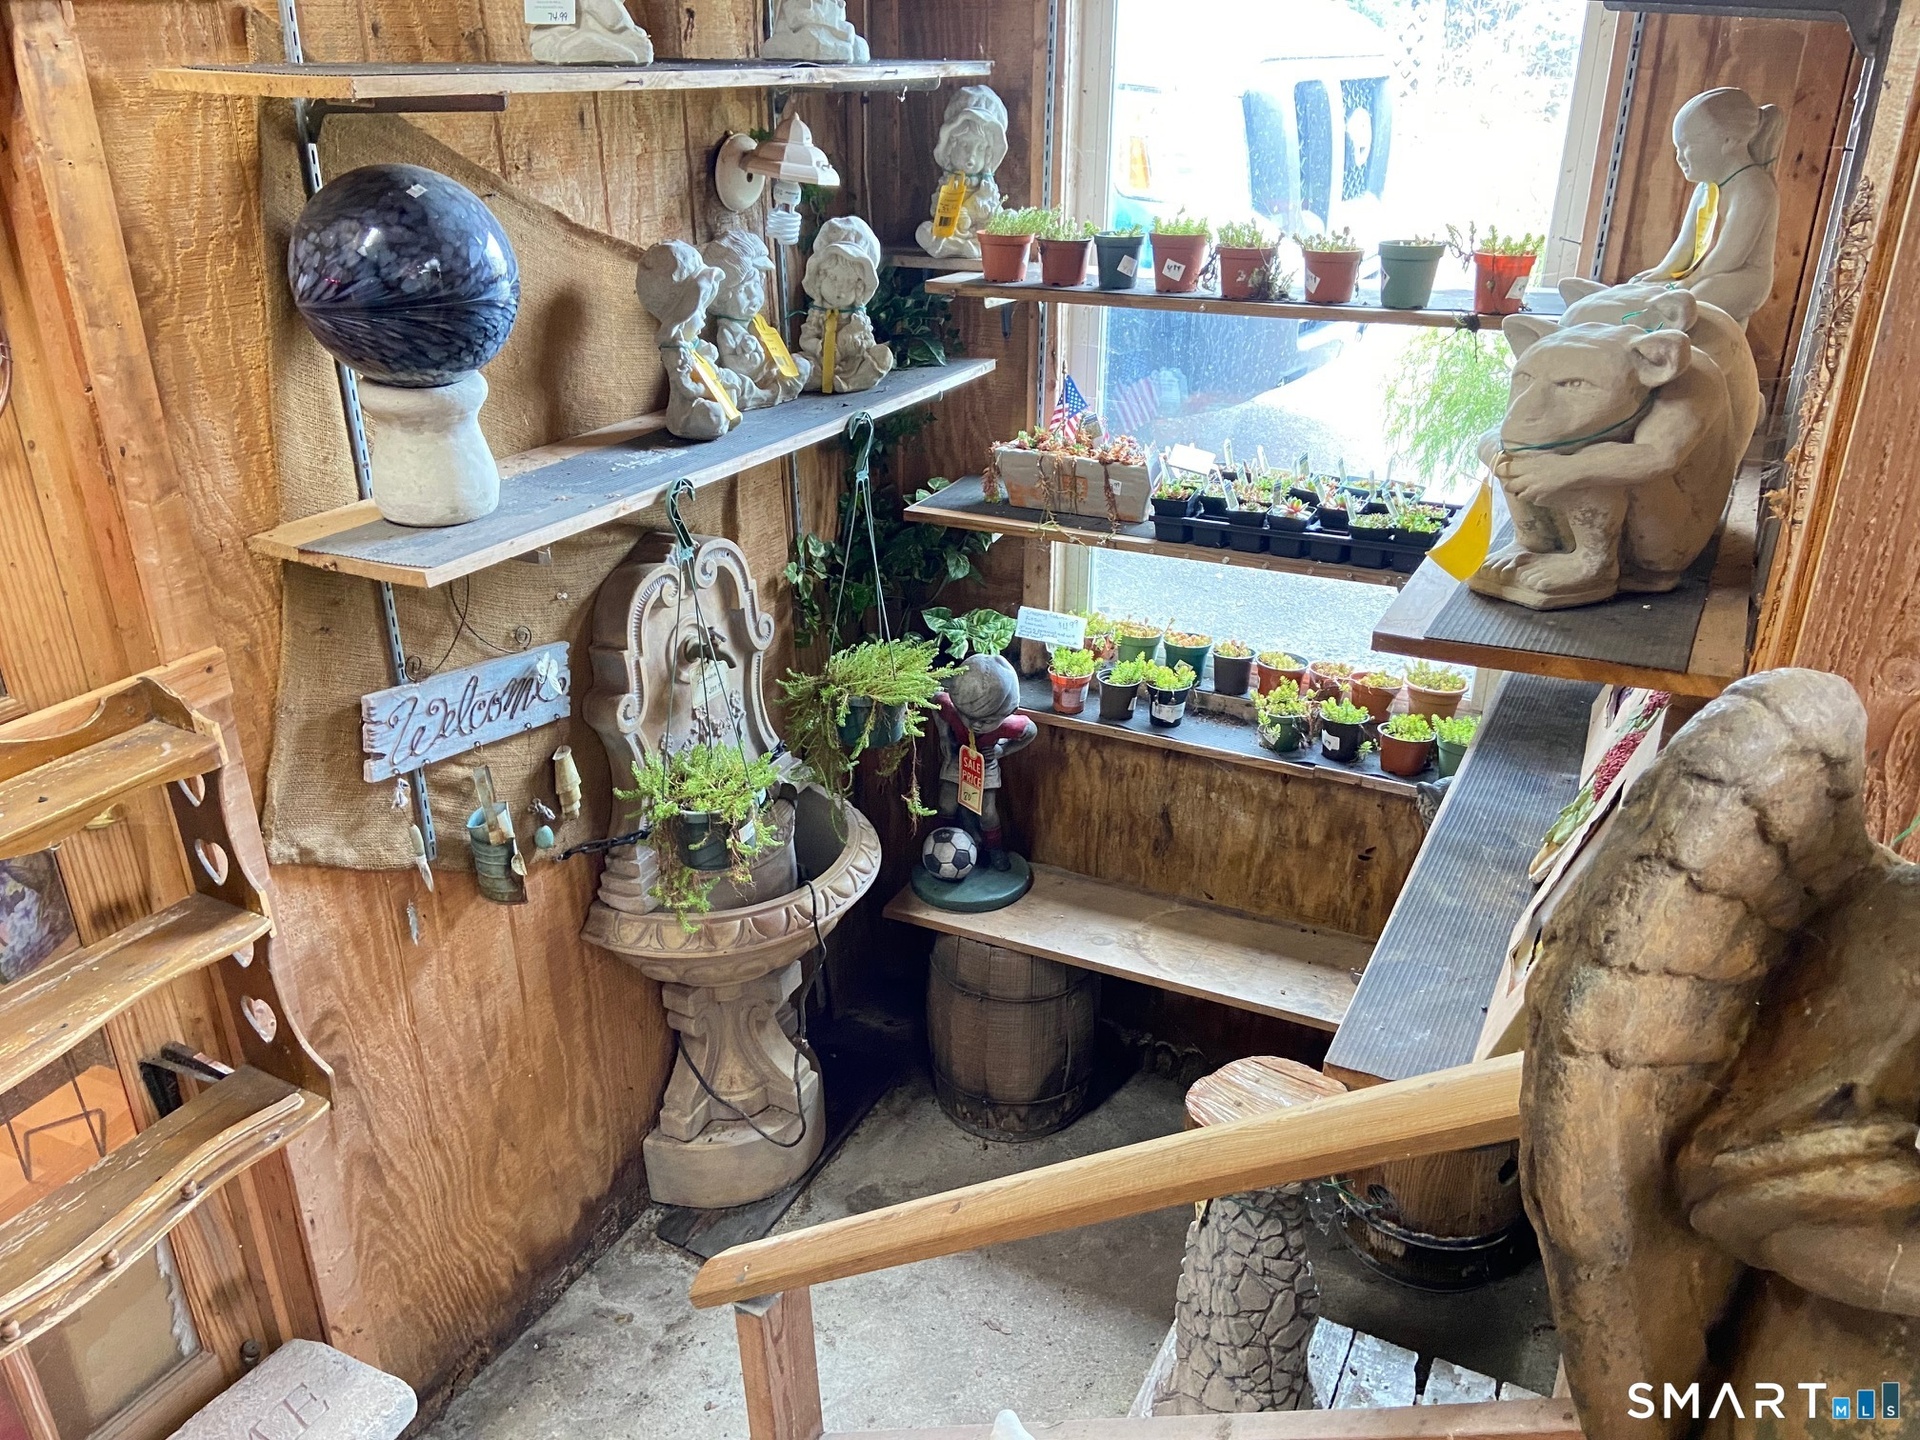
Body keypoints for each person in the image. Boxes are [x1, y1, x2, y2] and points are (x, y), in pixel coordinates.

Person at [931, 653, 1036, 871]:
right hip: (958, 758)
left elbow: (1030, 731)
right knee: (946, 803)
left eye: (986, 721)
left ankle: (994, 848)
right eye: (968, 717)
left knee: (987, 813)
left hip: (985, 764)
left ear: (1008, 712)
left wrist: (1002, 750)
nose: (975, 725)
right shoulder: (953, 711)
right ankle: (940, 844)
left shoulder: (1008, 726)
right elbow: (937, 700)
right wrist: (944, 736)